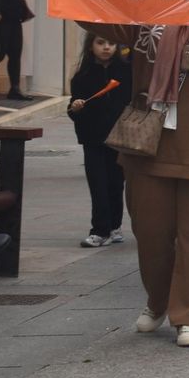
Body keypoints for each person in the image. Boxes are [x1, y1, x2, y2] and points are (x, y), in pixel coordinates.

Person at [42, 0, 189, 348]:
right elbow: (97, 14)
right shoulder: (148, 10)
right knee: (151, 233)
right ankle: (158, 300)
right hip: (150, 143)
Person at [68, 34, 132, 247]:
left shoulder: (125, 72)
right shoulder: (83, 76)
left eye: (110, 43)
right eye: (100, 43)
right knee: (97, 183)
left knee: (115, 183)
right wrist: (75, 107)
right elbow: (74, 107)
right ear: (91, 46)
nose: (106, 48)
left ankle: (114, 226)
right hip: (93, 138)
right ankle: (99, 229)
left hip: (118, 137)